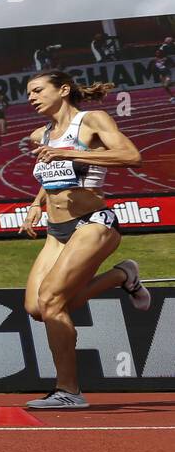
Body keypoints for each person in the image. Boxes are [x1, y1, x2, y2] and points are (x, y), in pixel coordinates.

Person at [18, 71, 149, 409]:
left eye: (37, 90)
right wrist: (36, 205)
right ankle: (122, 275)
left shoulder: (91, 120)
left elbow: (130, 156)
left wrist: (70, 155)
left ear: (63, 90)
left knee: (51, 300)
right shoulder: (40, 134)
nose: (30, 97)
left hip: (93, 223)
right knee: (38, 307)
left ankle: (69, 391)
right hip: (56, 229)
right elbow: (50, 177)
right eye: (28, 93)